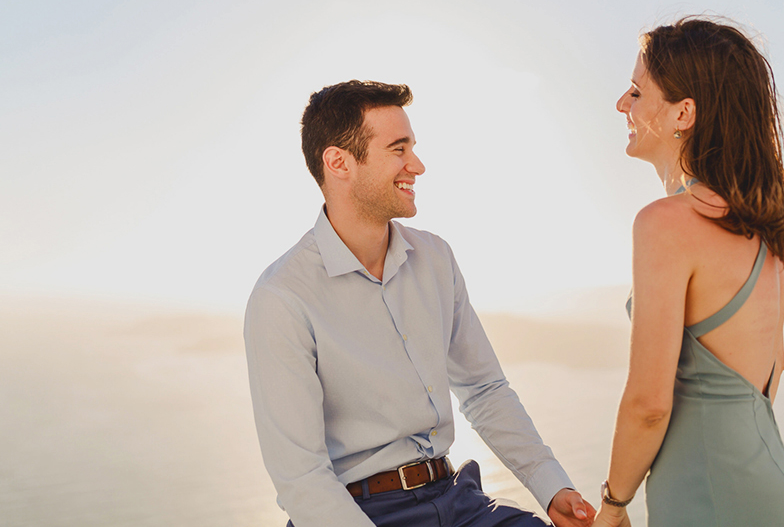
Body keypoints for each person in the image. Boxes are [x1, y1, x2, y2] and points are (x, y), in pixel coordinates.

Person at [245, 80, 596, 527]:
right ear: (339, 162)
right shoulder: (282, 297)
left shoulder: (435, 258)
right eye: (398, 149)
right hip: (360, 514)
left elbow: (484, 389)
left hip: (457, 500)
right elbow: (302, 478)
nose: (418, 165)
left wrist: (552, 487)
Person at [593, 18, 784, 526]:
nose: (621, 104)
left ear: (683, 113)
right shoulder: (771, 235)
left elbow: (649, 403)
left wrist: (613, 504)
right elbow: (770, 374)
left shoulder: (665, 224)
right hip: (773, 488)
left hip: (708, 499)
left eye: (635, 91)